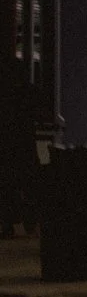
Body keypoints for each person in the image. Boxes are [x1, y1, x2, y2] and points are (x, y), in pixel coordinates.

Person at [0, 54, 36, 238]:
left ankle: (7, 223)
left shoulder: (5, 95)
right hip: (24, 145)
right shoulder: (26, 92)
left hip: (7, 146)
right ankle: (32, 222)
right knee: (28, 183)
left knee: (7, 185)